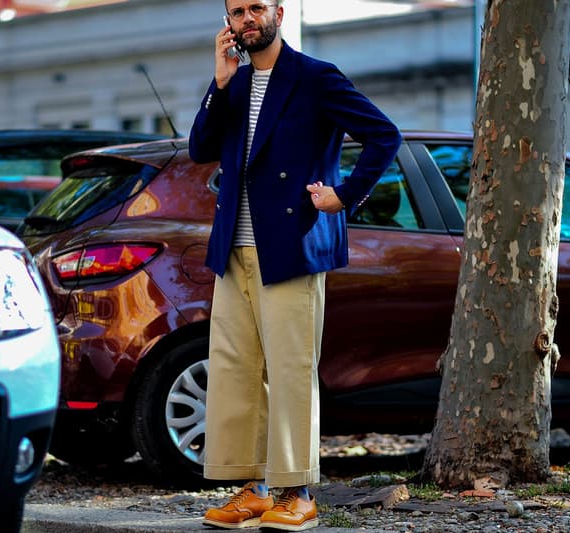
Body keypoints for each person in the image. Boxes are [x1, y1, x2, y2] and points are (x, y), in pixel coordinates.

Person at [188, 1, 401, 530]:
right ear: (228, 23)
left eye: (256, 7)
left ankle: (296, 489)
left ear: (279, 12)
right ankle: (251, 487)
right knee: (237, 370)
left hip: (290, 244)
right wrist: (219, 82)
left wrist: (344, 195)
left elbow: (384, 136)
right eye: (237, 11)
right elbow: (199, 149)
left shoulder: (316, 77)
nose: (247, 19)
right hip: (232, 248)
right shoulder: (232, 84)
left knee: (289, 369)